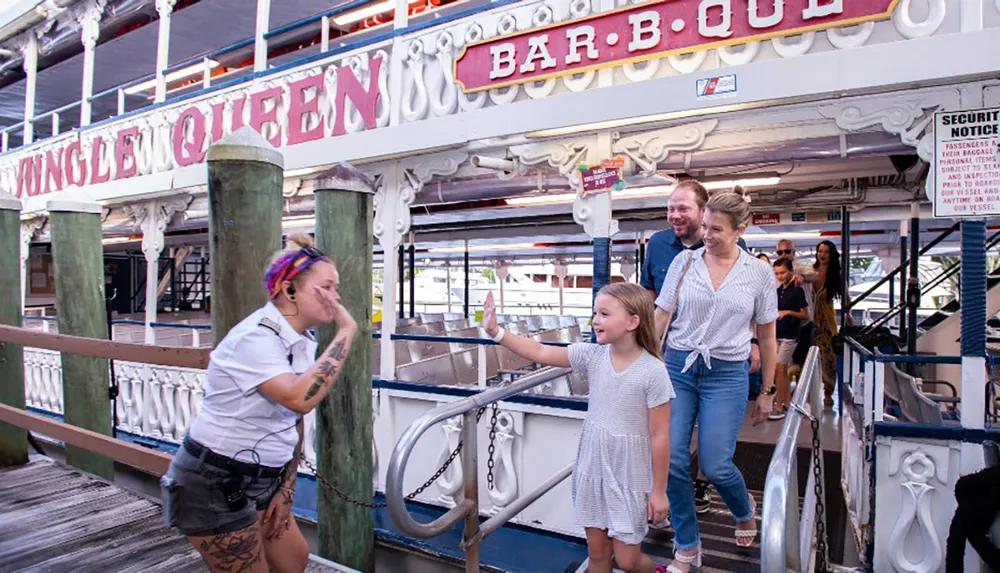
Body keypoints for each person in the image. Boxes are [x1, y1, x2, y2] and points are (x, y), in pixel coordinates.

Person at [161, 234, 359, 573]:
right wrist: (347, 331)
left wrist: (284, 488)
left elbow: (289, 423)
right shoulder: (256, 337)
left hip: (264, 477)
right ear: (289, 290)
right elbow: (298, 399)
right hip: (215, 477)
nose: (336, 297)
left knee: (292, 559)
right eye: (327, 287)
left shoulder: (300, 342)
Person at [483, 285, 672, 573]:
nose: (595, 320)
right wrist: (497, 332)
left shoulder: (653, 371)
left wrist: (659, 491)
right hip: (593, 466)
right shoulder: (592, 356)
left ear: (633, 322)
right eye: (595, 313)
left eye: (605, 314)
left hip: (628, 472)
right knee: (597, 554)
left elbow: (659, 435)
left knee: (627, 560)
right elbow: (541, 351)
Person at [653, 191, 777, 572]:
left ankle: (743, 509)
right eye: (705, 225)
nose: (706, 234)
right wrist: (645, 364)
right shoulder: (684, 262)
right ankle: (688, 545)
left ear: (741, 230)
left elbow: (768, 334)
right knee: (672, 457)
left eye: (717, 230)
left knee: (716, 463)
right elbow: (661, 314)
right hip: (679, 366)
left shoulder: (758, 272)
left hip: (727, 372)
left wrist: (768, 392)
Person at [640, 180, 749, 514]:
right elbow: (649, 298)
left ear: (704, 211)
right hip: (674, 355)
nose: (675, 215)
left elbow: (746, 302)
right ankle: (678, 520)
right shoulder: (658, 245)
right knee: (670, 444)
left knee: (713, 446)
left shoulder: (733, 247)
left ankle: (705, 485)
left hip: (722, 359)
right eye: (671, 208)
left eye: (682, 208)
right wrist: (643, 350)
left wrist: (756, 344)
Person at [769, 258, 809, 420]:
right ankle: (786, 401)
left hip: (790, 335)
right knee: (781, 369)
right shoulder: (778, 292)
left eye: (783, 273)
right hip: (778, 333)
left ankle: (779, 404)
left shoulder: (797, 291)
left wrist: (788, 313)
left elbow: (805, 314)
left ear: (791, 272)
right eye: (777, 273)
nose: (779, 276)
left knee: (780, 367)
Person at [811, 240, 846, 406]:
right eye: (820, 251)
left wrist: (848, 314)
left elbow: (846, 298)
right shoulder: (810, 271)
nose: (822, 255)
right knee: (808, 354)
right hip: (810, 319)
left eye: (826, 252)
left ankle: (828, 392)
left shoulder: (835, 275)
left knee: (829, 357)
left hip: (827, 320)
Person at [776, 239, 816, 371]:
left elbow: (814, 276)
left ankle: (800, 389)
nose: (784, 254)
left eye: (787, 251)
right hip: (783, 325)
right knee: (781, 365)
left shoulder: (801, 267)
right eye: (780, 252)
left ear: (793, 252)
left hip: (802, 323)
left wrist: (802, 276)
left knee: (801, 361)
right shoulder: (775, 272)